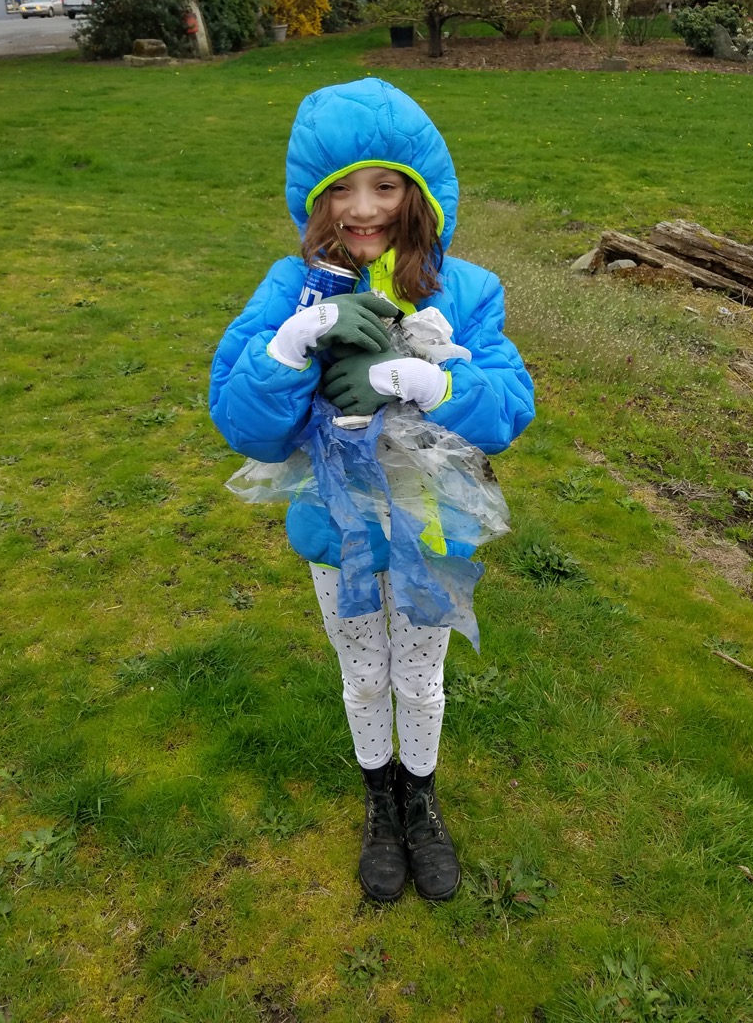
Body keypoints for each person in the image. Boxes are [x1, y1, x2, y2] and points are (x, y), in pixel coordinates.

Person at [209, 77, 534, 903]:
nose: (364, 208)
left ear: (420, 192)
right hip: (337, 530)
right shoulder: (291, 289)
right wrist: (294, 343)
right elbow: (244, 424)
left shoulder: (466, 290)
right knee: (363, 675)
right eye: (340, 190)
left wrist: (435, 383)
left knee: (420, 676)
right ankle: (376, 801)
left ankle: (418, 799)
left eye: (385, 185)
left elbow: (509, 407)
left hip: (433, 529)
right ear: (312, 202)